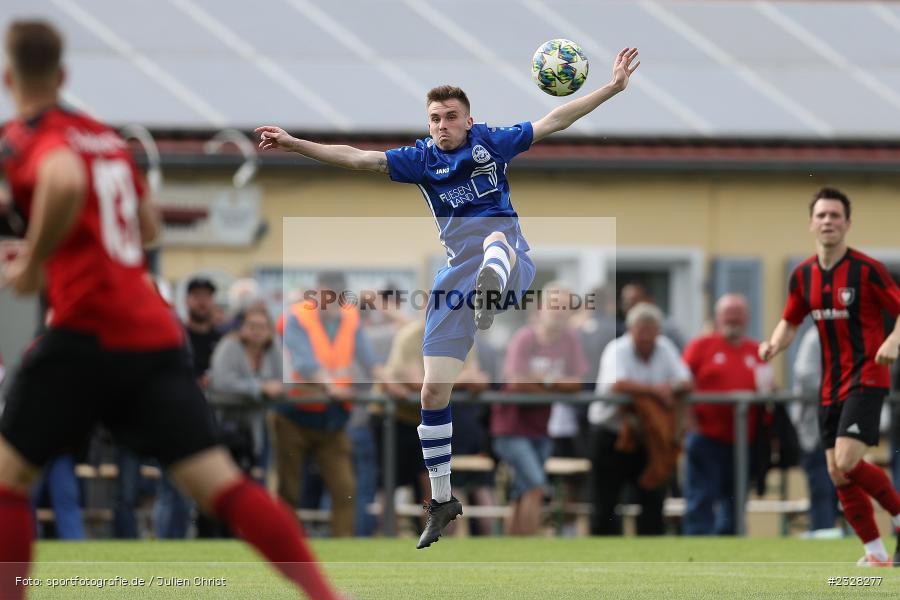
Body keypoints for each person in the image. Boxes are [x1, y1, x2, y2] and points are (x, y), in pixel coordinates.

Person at [0, 21, 340, 600]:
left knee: (8, 482)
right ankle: (328, 597)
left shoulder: (29, 137)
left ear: (9, 77)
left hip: (87, 331)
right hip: (153, 335)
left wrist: (33, 261)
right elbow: (149, 224)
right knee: (220, 484)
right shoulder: (103, 137)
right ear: (62, 76)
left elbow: (60, 181)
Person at [257, 47, 640, 548]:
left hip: (510, 261)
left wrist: (611, 88)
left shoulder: (491, 142)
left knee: (496, 236)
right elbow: (357, 157)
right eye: (434, 117)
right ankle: (441, 502)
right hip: (453, 280)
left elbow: (554, 118)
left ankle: (489, 293)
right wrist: (292, 143)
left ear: (468, 120)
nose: (442, 124)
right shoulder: (420, 160)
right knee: (432, 393)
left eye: (450, 116)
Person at [759, 187, 900, 567]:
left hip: (868, 378)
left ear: (848, 224)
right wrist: (773, 345)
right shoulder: (803, 275)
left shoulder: (866, 270)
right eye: (821, 215)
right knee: (837, 474)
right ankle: (876, 554)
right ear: (811, 223)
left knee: (849, 461)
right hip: (830, 386)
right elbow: (790, 320)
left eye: (835, 216)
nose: (828, 222)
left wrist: (894, 339)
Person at [588, 303, 692, 535]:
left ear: (658, 331)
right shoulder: (617, 349)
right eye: (641, 331)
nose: (645, 337)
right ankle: (599, 560)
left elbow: (685, 381)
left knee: (652, 498)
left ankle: (650, 559)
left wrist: (668, 387)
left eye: (650, 331)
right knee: (605, 502)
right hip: (611, 435)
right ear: (630, 330)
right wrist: (657, 391)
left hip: (647, 436)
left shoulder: (665, 348)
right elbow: (619, 384)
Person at [495, 284, 588, 535]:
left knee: (522, 491)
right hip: (511, 426)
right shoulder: (525, 337)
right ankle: (530, 547)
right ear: (542, 307)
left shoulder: (570, 340)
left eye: (566, 307)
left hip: (540, 427)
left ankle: (511, 550)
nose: (559, 312)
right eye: (555, 305)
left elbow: (577, 383)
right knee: (536, 486)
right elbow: (515, 382)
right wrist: (553, 386)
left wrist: (541, 380)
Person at [681, 294, 765, 535]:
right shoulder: (701, 346)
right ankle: (697, 557)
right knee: (701, 499)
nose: (733, 321)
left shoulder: (755, 350)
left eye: (737, 316)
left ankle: (731, 555)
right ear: (718, 318)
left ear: (746, 318)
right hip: (706, 437)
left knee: (735, 500)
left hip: (742, 441)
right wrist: (688, 422)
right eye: (729, 316)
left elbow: (767, 388)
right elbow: (681, 383)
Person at [791, 326, 839, 534]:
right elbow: (806, 378)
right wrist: (845, 391)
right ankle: (823, 534)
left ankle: (835, 535)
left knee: (840, 489)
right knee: (821, 488)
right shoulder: (816, 337)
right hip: (814, 431)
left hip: (841, 431)